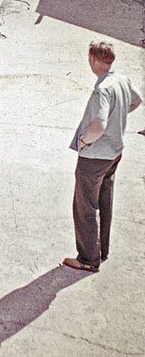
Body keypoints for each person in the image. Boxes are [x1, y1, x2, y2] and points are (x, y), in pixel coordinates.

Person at [63, 41, 142, 273]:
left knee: (85, 206)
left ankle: (88, 258)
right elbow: (136, 101)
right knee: (105, 201)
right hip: (114, 153)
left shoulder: (102, 89)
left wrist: (85, 140)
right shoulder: (122, 79)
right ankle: (101, 250)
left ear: (94, 60)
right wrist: (118, 115)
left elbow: (99, 124)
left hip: (95, 157)